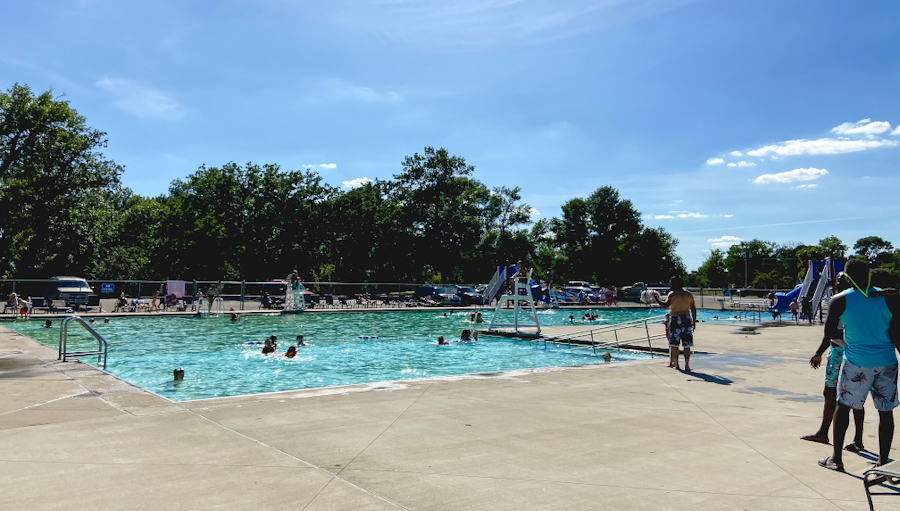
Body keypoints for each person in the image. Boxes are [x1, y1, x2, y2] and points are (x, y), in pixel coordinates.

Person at [817, 259, 900, 472]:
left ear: (846, 277)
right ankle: (882, 461)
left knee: (843, 407)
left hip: (856, 362)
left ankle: (836, 459)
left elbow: (829, 334)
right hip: (887, 361)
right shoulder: (887, 297)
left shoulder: (839, 300)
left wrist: (852, 335)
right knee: (885, 412)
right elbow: (896, 330)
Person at [803, 272, 865, 449]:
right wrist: (819, 352)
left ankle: (857, 439)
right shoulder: (839, 300)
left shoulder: (851, 302)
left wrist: (834, 338)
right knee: (831, 394)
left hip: (849, 353)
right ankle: (824, 433)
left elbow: (833, 332)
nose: (836, 283)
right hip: (837, 352)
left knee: (854, 398)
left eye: (840, 280)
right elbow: (829, 333)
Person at [653, 276, 697, 371]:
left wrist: (656, 298)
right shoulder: (689, 294)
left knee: (674, 343)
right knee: (687, 344)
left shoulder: (672, 294)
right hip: (686, 318)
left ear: (675, 284)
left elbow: (665, 305)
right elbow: (693, 308)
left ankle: (676, 365)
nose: (670, 285)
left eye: (671, 283)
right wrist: (694, 321)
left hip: (675, 318)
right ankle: (687, 365)